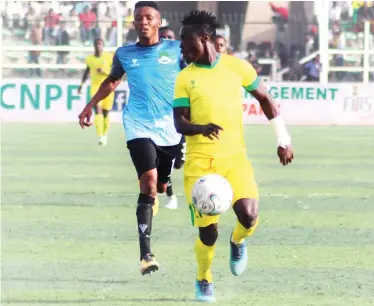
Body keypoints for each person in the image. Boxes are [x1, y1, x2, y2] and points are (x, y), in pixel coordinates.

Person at [173, 10, 294, 302]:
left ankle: (238, 241)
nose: (182, 48)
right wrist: (201, 128)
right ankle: (204, 279)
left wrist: (283, 138)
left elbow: (265, 98)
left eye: (186, 42)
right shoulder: (185, 78)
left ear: (205, 38)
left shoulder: (237, 67)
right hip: (200, 166)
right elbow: (180, 122)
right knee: (208, 234)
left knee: (250, 216)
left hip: (234, 160)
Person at [78, 1, 185, 275]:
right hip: (138, 124)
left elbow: (198, 73)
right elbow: (112, 81)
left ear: (159, 22)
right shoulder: (124, 54)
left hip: (170, 128)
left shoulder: (176, 50)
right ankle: (146, 255)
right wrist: (90, 105)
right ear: (134, 23)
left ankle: (163, 184)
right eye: (139, 18)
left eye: (149, 17)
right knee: (148, 186)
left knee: (160, 186)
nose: (144, 22)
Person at [157, 25, 187, 210]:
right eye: (163, 37)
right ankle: (170, 196)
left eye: (170, 36)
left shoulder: (181, 57)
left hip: (179, 116)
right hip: (158, 119)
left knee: (178, 164)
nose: (167, 39)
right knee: (162, 163)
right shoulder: (152, 58)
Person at [78, 38, 114, 146]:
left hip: (107, 87)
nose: (98, 46)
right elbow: (86, 72)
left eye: (100, 44)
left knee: (106, 112)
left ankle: (105, 133)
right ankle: (100, 136)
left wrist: (104, 72)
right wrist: (81, 85)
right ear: (94, 46)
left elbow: (115, 72)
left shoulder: (109, 57)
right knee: (98, 110)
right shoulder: (90, 59)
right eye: (96, 44)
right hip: (95, 88)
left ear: (103, 46)